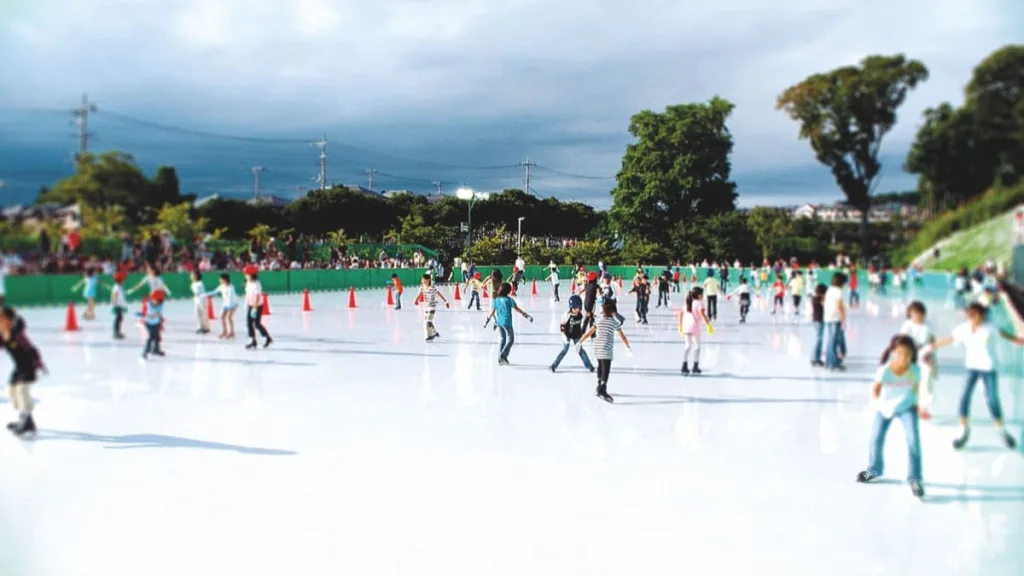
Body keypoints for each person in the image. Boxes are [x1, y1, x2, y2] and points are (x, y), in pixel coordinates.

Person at [924, 302, 1023, 450]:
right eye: (970, 315)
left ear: (982, 315)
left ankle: (1001, 430)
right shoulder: (963, 329)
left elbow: (1005, 335)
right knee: (964, 397)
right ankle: (963, 431)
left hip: (989, 369)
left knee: (992, 400)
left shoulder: (990, 328)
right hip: (972, 368)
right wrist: (931, 347)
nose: (973, 317)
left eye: (976, 315)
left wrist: (1018, 340)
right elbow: (950, 339)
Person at [856, 334, 925, 498]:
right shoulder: (885, 370)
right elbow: (875, 390)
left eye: (907, 354)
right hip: (885, 407)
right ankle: (874, 470)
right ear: (893, 352)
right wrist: (880, 405)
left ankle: (914, 478)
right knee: (876, 437)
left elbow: (916, 388)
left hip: (907, 406)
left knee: (913, 439)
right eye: (900, 353)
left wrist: (916, 402)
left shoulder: (915, 370)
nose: (903, 358)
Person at [0, 307, 45, 437]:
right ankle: (25, 419)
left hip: (29, 366)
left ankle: (26, 421)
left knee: (21, 391)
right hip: (19, 367)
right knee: (12, 391)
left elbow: (32, 350)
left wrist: (38, 365)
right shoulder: (4, 335)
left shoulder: (17, 334)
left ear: (9, 320)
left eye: (2, 319)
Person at [579, 299, 631, 403]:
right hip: (606, 348)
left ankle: (599, 386)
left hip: (597, 347)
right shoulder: (614, 322)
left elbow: (589, 332)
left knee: (600, 366)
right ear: (613, 312)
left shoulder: (599, 320)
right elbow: (623, 336)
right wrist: (628, 346)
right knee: (606, 368)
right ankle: (603, 389)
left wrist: (580, 341)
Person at [899, 301, 937, 419]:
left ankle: (924, 407)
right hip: (910, 355)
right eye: (913, 314)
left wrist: (932, 357)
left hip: (924, 355)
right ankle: (909, 404)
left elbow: (932, 341)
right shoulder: (907, 325)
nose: (916, 316)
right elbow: (903, 341)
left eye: (919, 313)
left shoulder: (928, 325)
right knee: (910, 380)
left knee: (926, 380)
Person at [484, 282, 533, 365]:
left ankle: (502, 358)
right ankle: (502, 355)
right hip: (507, 322)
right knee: (511, 339)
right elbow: (517, 309)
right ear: (508, 291)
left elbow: (492, 311)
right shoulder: (509, 300)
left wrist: (488, 320)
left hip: (499, 322)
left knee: (503, 339)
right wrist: (526, 315)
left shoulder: (496, 300)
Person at [550, 295, 594, 373]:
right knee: (564, 350)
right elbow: (562, 326)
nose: (576, 310)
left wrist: (592, 315)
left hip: (576, 334)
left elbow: (588, 314)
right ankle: (554, 365)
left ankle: (589, 366)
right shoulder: (567, 314)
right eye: (574, 308)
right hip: (567, 335)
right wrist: (565, 337)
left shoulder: (581, 313)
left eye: (577, 308)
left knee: (581, 350)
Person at [679, 286, 711, 375]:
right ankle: (695, 365)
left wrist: (680, 326)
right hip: (695, 328)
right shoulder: (700, 303)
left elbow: (680, 313)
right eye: (702, 294)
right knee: (697, 347)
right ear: (699, 295)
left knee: (687, 346)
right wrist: (708, 324)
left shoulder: (688, 303)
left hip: (686, 327)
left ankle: (684, 365)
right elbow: (702, 314)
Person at [243, 266, 273, 350]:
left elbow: (257, 295)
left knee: (256, 324)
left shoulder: (257, 284)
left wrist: (255, 307)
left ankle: (267, 337)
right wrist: (247, 303)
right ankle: (252, 340)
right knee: (249, 323)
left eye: (247, 274)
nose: (245, 276)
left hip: (257, 306)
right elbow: (248, 294)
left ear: (251, 275)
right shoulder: (248, 283)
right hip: (250, 305)